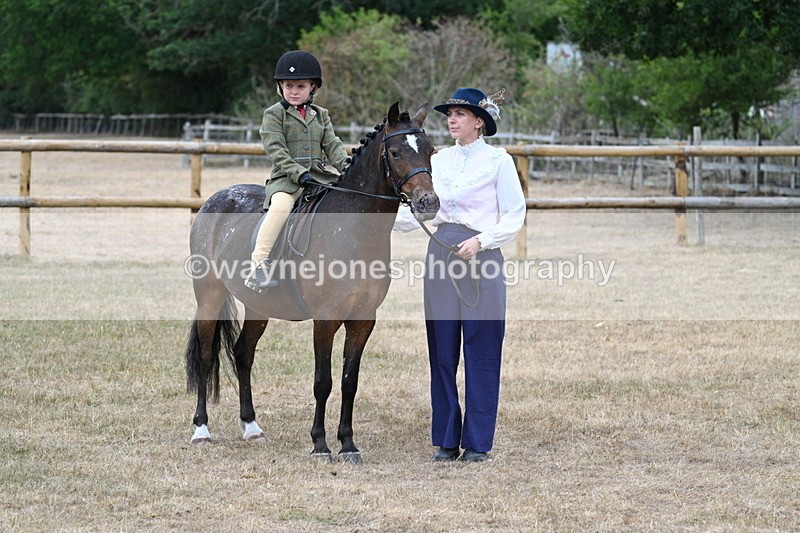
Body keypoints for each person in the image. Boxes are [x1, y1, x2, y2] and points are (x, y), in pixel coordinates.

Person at [394, 87, 526, 462]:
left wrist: (482, 241)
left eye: (460, 114)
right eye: (449, 114)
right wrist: (381, 221)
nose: (451, 119)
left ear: (479, 122)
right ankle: (447, 438)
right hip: (441, 251)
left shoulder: (499, 162)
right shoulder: (438, 161)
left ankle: (478, 442)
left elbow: (514, 215)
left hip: (481, 255)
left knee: (482, 348)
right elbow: (426, 211)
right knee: (442, 348)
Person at [246, 50, 350, 291]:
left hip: (319, 179)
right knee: (281, 207)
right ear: (280, 86)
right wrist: (298, 173)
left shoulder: (321, 115)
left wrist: (347, 168)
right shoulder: (274, 114)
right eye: (289, 85)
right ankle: (258, 265)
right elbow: (276, 150)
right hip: (287, 181)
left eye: (300, 86)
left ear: (312, 87)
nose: (294, 91)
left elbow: (333, 146)